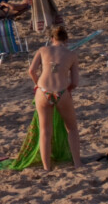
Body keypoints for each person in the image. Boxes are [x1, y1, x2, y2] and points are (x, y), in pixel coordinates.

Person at [29, 25, 83, 170]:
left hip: (43, 90)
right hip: (61, 91)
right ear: (66, 39)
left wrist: (37, 85)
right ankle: (77, 163)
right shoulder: (71, 55)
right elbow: (75, 82)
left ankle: (47, 167)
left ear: (51, 39)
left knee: (45, 130)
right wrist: (68, 90)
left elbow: (32, 70)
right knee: (71, 128)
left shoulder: (43, 50)